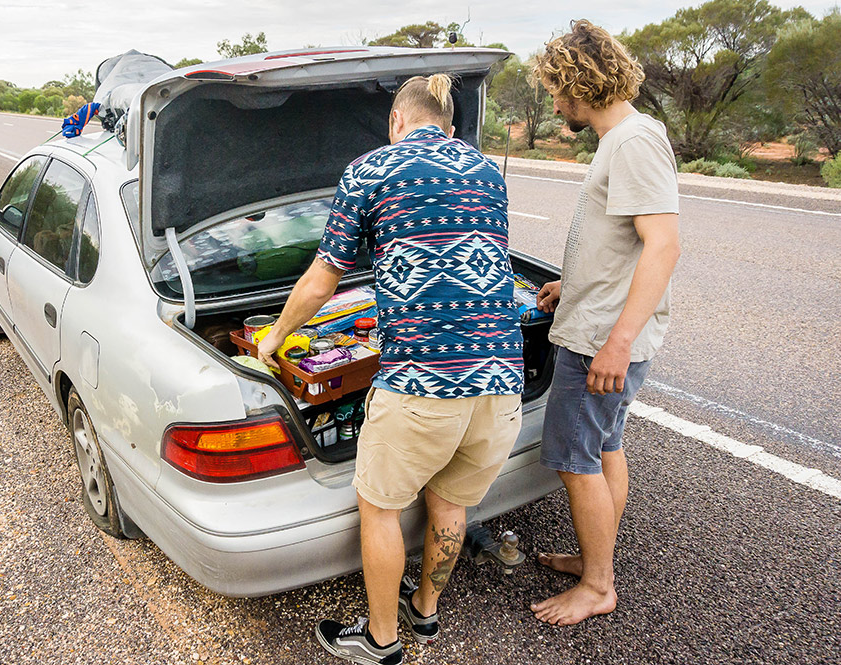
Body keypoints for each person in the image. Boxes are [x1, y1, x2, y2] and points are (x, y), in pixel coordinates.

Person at [257, 74, 525, 665]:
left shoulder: (371, 169)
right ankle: (424, 613)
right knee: (452, 503)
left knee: (380, 508)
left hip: (421, 385)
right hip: (500, 382)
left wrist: (276, 336)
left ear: (396, 122)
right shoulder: (486, 173)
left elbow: (324, 277)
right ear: (450, 128)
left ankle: (380, 641)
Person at [529, 20, 681, 626]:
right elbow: (621, 242)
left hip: (601, 340)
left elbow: (663, 246)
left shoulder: (634, 140)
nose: (555, 103)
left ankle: (598, 585)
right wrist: (575, 285)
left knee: (574, 457)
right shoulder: (623, 139)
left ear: (578, 83)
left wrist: (615, 344)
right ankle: (600, 558)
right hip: (598, 322)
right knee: (605, 444)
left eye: (557, 91)